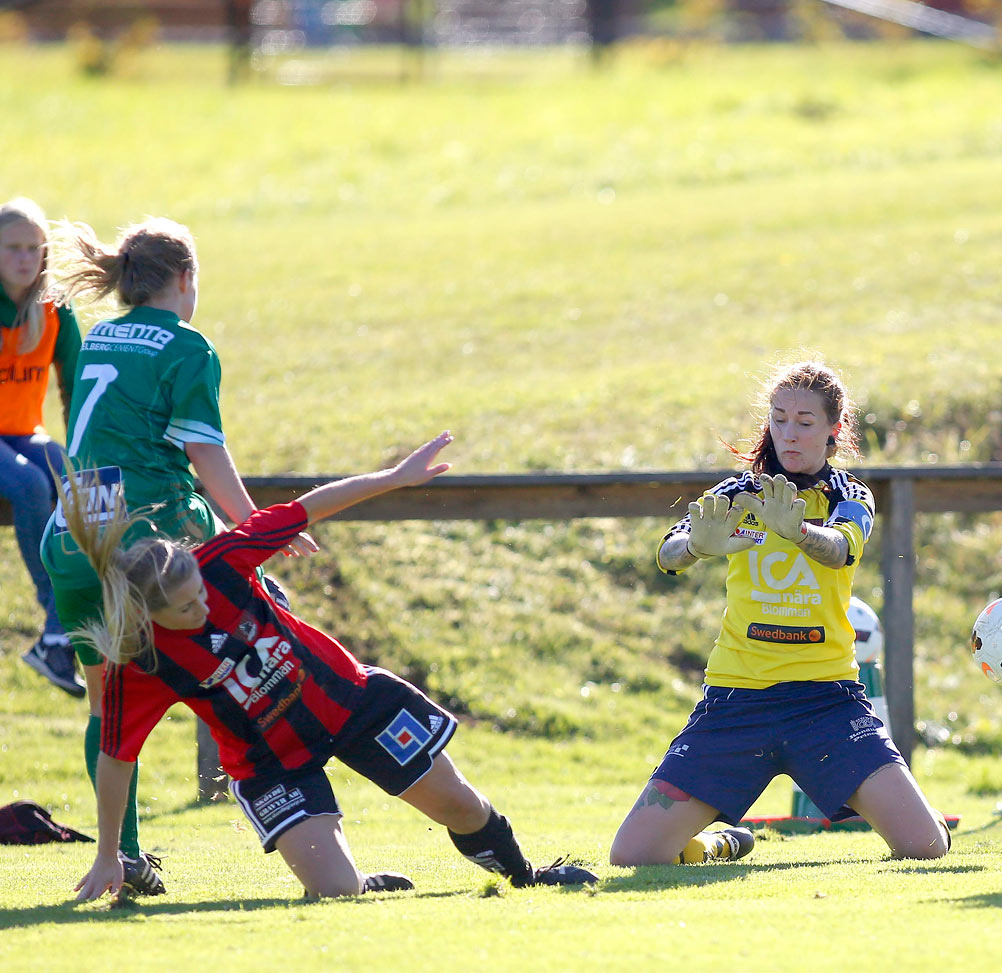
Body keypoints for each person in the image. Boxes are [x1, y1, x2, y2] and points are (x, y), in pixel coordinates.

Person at [70, 432, 597, 900]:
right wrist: (109, 853)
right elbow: (116, 757)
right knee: (337, 891)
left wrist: (395, 478)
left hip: (349, 703)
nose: (203, 607)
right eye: (186, 609)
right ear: (147, 614)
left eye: (201, 594)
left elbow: (307, 507)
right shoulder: (141, 664)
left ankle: (526, 876)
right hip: (272, 762)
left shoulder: (223, 561)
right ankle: (363, 883)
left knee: (461, 806)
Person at [42, 216, 311, 896]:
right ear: (185, 280)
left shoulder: (101, 334)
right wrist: (257, 524)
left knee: (110, 705)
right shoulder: (186, 345)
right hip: (145, 528)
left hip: (72, 531)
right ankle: (309, 822)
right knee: (257, 650)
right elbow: (205, 454)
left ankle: (121, 855)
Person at [610, 361, 949, 866]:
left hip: (827, 705)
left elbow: (840, 548)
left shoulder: (850, 495)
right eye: (779, 418)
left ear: (835, 429)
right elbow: (668, 553)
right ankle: (720, 842)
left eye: (805, 422)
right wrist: (695, 548)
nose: (789, 433)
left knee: (924, 849)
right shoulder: (735, 492)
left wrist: (800, 533)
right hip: (737, 702)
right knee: (632, 857)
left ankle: (917, 811)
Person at [0, 198, 83, 696]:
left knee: (81, 481)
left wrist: (84, 452)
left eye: (34, 247)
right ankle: (54, 622)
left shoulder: (55, 307)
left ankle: (56, 636)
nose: (24, 258)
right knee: (32, 485)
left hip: (24, 432)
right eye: (12, 248)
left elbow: (74, 388)